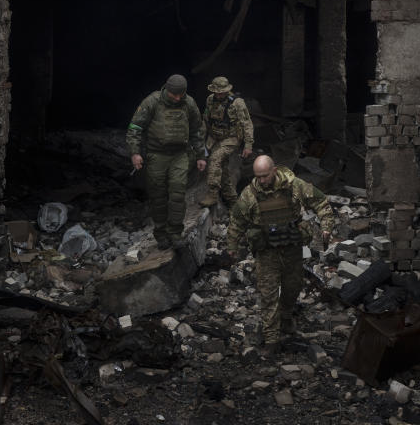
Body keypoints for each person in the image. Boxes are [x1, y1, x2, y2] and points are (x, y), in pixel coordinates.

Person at [227, 155, 335, 352]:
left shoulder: (294, 186)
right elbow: (236, 221)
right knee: (268, 295)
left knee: (293, 287)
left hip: (292, 248)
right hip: (267, 252)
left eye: (265, 176)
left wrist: (326, 226)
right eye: (258, 177)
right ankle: (271, 339)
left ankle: (285, 316)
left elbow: (321, 202)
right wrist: (232, 247)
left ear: (274, 171)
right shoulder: (250, 194)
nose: (261, 181)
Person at [126, 74, 207, 249]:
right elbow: (135, 128)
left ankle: (175, 233)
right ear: (167, 89)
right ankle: (161, 233)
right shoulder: (152, 102)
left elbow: (196, 131)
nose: (177, 98)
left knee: (177, 195)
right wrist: (135, 153)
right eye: (174, 94)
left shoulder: (189, 103)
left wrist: (201, 155)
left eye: (181, 95)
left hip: (180, 155)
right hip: (157, 155)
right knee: (158, 196)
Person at [199, 76, 254, 208]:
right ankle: (233, 201)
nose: (219, 95)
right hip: (214, 137)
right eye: (217, 92)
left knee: (215, 159)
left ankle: (212, 194)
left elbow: (247, 123)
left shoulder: (237, 103)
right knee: (222, 170)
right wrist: (200, 140)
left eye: (222, 92)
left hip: (231, 138)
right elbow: (205, 121)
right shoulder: (210, 100)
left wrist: (248, 144)